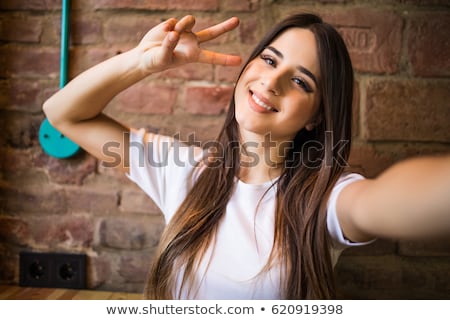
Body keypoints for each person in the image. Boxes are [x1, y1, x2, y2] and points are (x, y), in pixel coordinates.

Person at [43, 13, 450, 299]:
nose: (271, 81)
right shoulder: (185, 170)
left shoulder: (325, 199)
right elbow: (62, 113)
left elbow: (397, 200)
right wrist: (143, 62)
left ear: (317, 116)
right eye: (270, 60)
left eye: (300, 81)